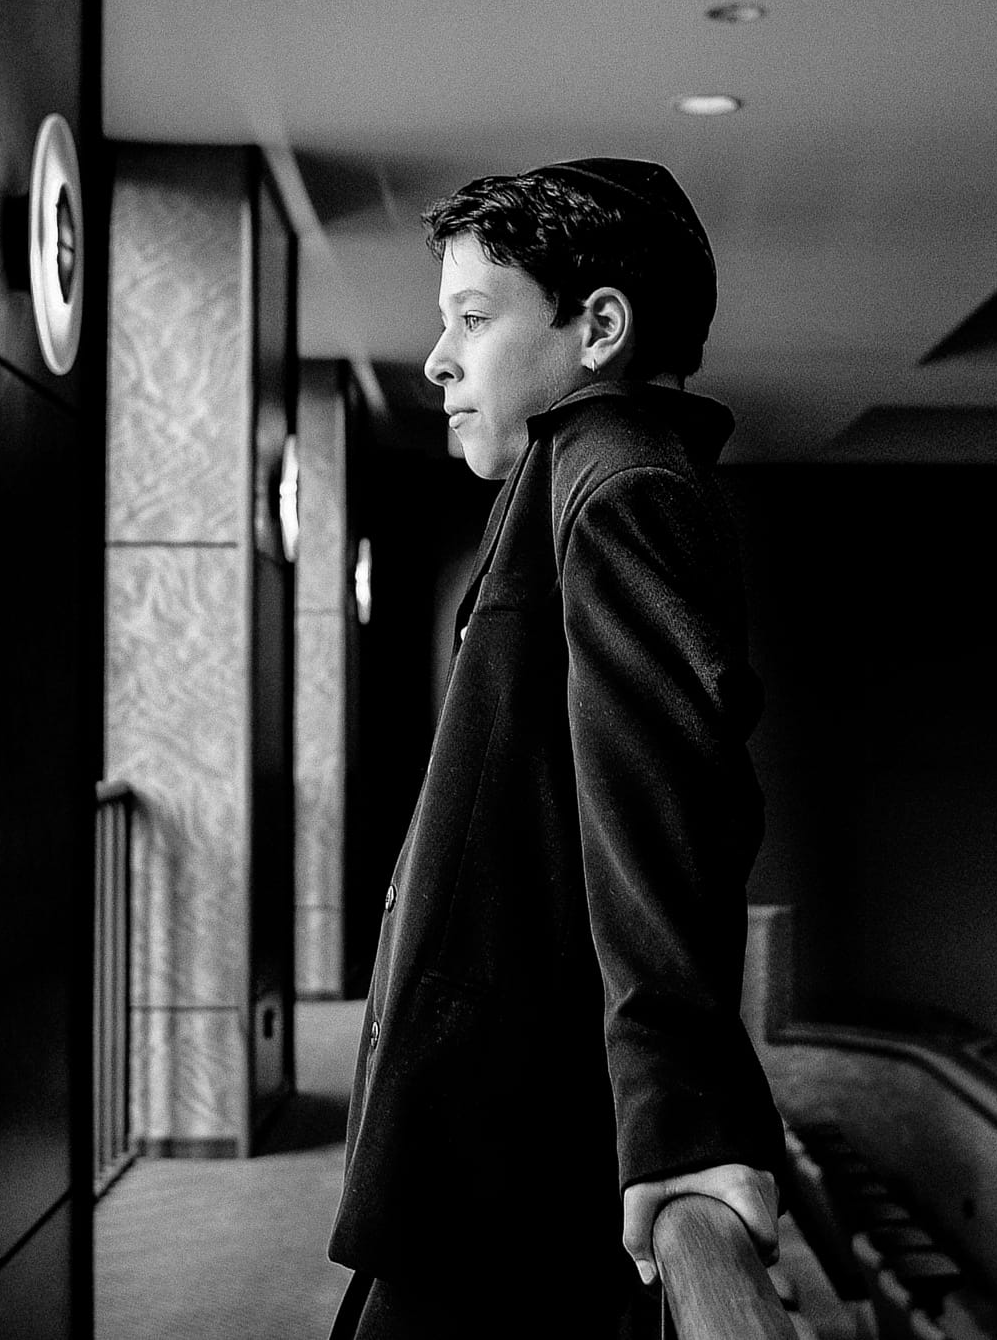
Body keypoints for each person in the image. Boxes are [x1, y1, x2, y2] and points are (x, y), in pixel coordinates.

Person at [327, 159, 786, 1338]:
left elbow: (655, 814)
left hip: (514, 1165)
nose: (437, 360)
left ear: (599, 328)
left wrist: (687, 1125)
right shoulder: (566, 474)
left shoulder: (619, 483)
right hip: (489, 1142)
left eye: (472, 321)